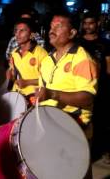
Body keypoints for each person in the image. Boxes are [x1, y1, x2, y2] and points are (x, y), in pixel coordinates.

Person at [36, 12, 98, 179]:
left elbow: (87, 97)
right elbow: (42, 95)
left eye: (58, 26)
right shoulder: (47, 60)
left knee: (77, 174)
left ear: (72, 33)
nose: (51, 30)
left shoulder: (82, 59)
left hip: (76, 128)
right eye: (51, 27)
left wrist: (52, 94)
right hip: (52, 127)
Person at [79, 12, 110, 163]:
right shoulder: (78, 43)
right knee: (85, 120)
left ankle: (101, 150)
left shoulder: (105, 43)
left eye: (91, 23)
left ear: (97, 23)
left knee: (101, 119)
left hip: (101, 87)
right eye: (85, 23)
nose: (88, 26)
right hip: (82, 87)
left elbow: (108, 66)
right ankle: (85, 152)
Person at [6, 18, 48, 105]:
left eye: (22, 31)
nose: (17, 34)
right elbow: (14, 76)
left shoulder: (41, 53)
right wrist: (10, 75)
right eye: (16, 31)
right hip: (17, 95)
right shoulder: (14, 53)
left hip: (35, 97)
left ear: (31, 35)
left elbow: (47, 80)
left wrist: (27, 82)